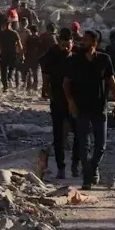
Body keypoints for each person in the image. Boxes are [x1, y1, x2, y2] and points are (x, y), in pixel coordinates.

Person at [64, 30, 115, 190]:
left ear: (94, 43)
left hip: (99, 106)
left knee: (101, 145)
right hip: (81, 106)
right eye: (82, 39)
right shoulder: (75, 60)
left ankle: (91, 169)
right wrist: (70, 102)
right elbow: (67, 82)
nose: (82, 42)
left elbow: (111, 81)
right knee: (83, 144)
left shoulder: (104, 59)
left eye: (86, 40)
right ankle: (87, 178)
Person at [39, 28, 80, 179]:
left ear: (72, 42)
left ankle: (76, 165)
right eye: (62, 45)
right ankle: (61, 167)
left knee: (78, 134)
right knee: (58, 135)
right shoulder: (53, 54)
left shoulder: (78, 54)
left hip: (75, 101)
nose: (65, 48)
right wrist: (44, 88)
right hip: (57, 99)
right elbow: (45, 71)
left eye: (67, 45)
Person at [0, 21, 23, 92]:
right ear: (10, 25)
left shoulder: (1, 34)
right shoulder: (14, 33)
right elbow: (20, 45)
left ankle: (5, 86)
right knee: (11, 68)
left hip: (4, 54)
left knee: (3, 70)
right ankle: (9, 78)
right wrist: (21, 54)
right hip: (12, 54)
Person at [21, 25, 42, 90]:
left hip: (28, 57)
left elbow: (25, 48)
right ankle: (35, 87)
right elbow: (41, 49)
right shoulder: (39, 38)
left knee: (29, 73)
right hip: (36, 58)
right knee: (35, 73)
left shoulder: (29, 38)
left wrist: (23, 55)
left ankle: (28, 87)